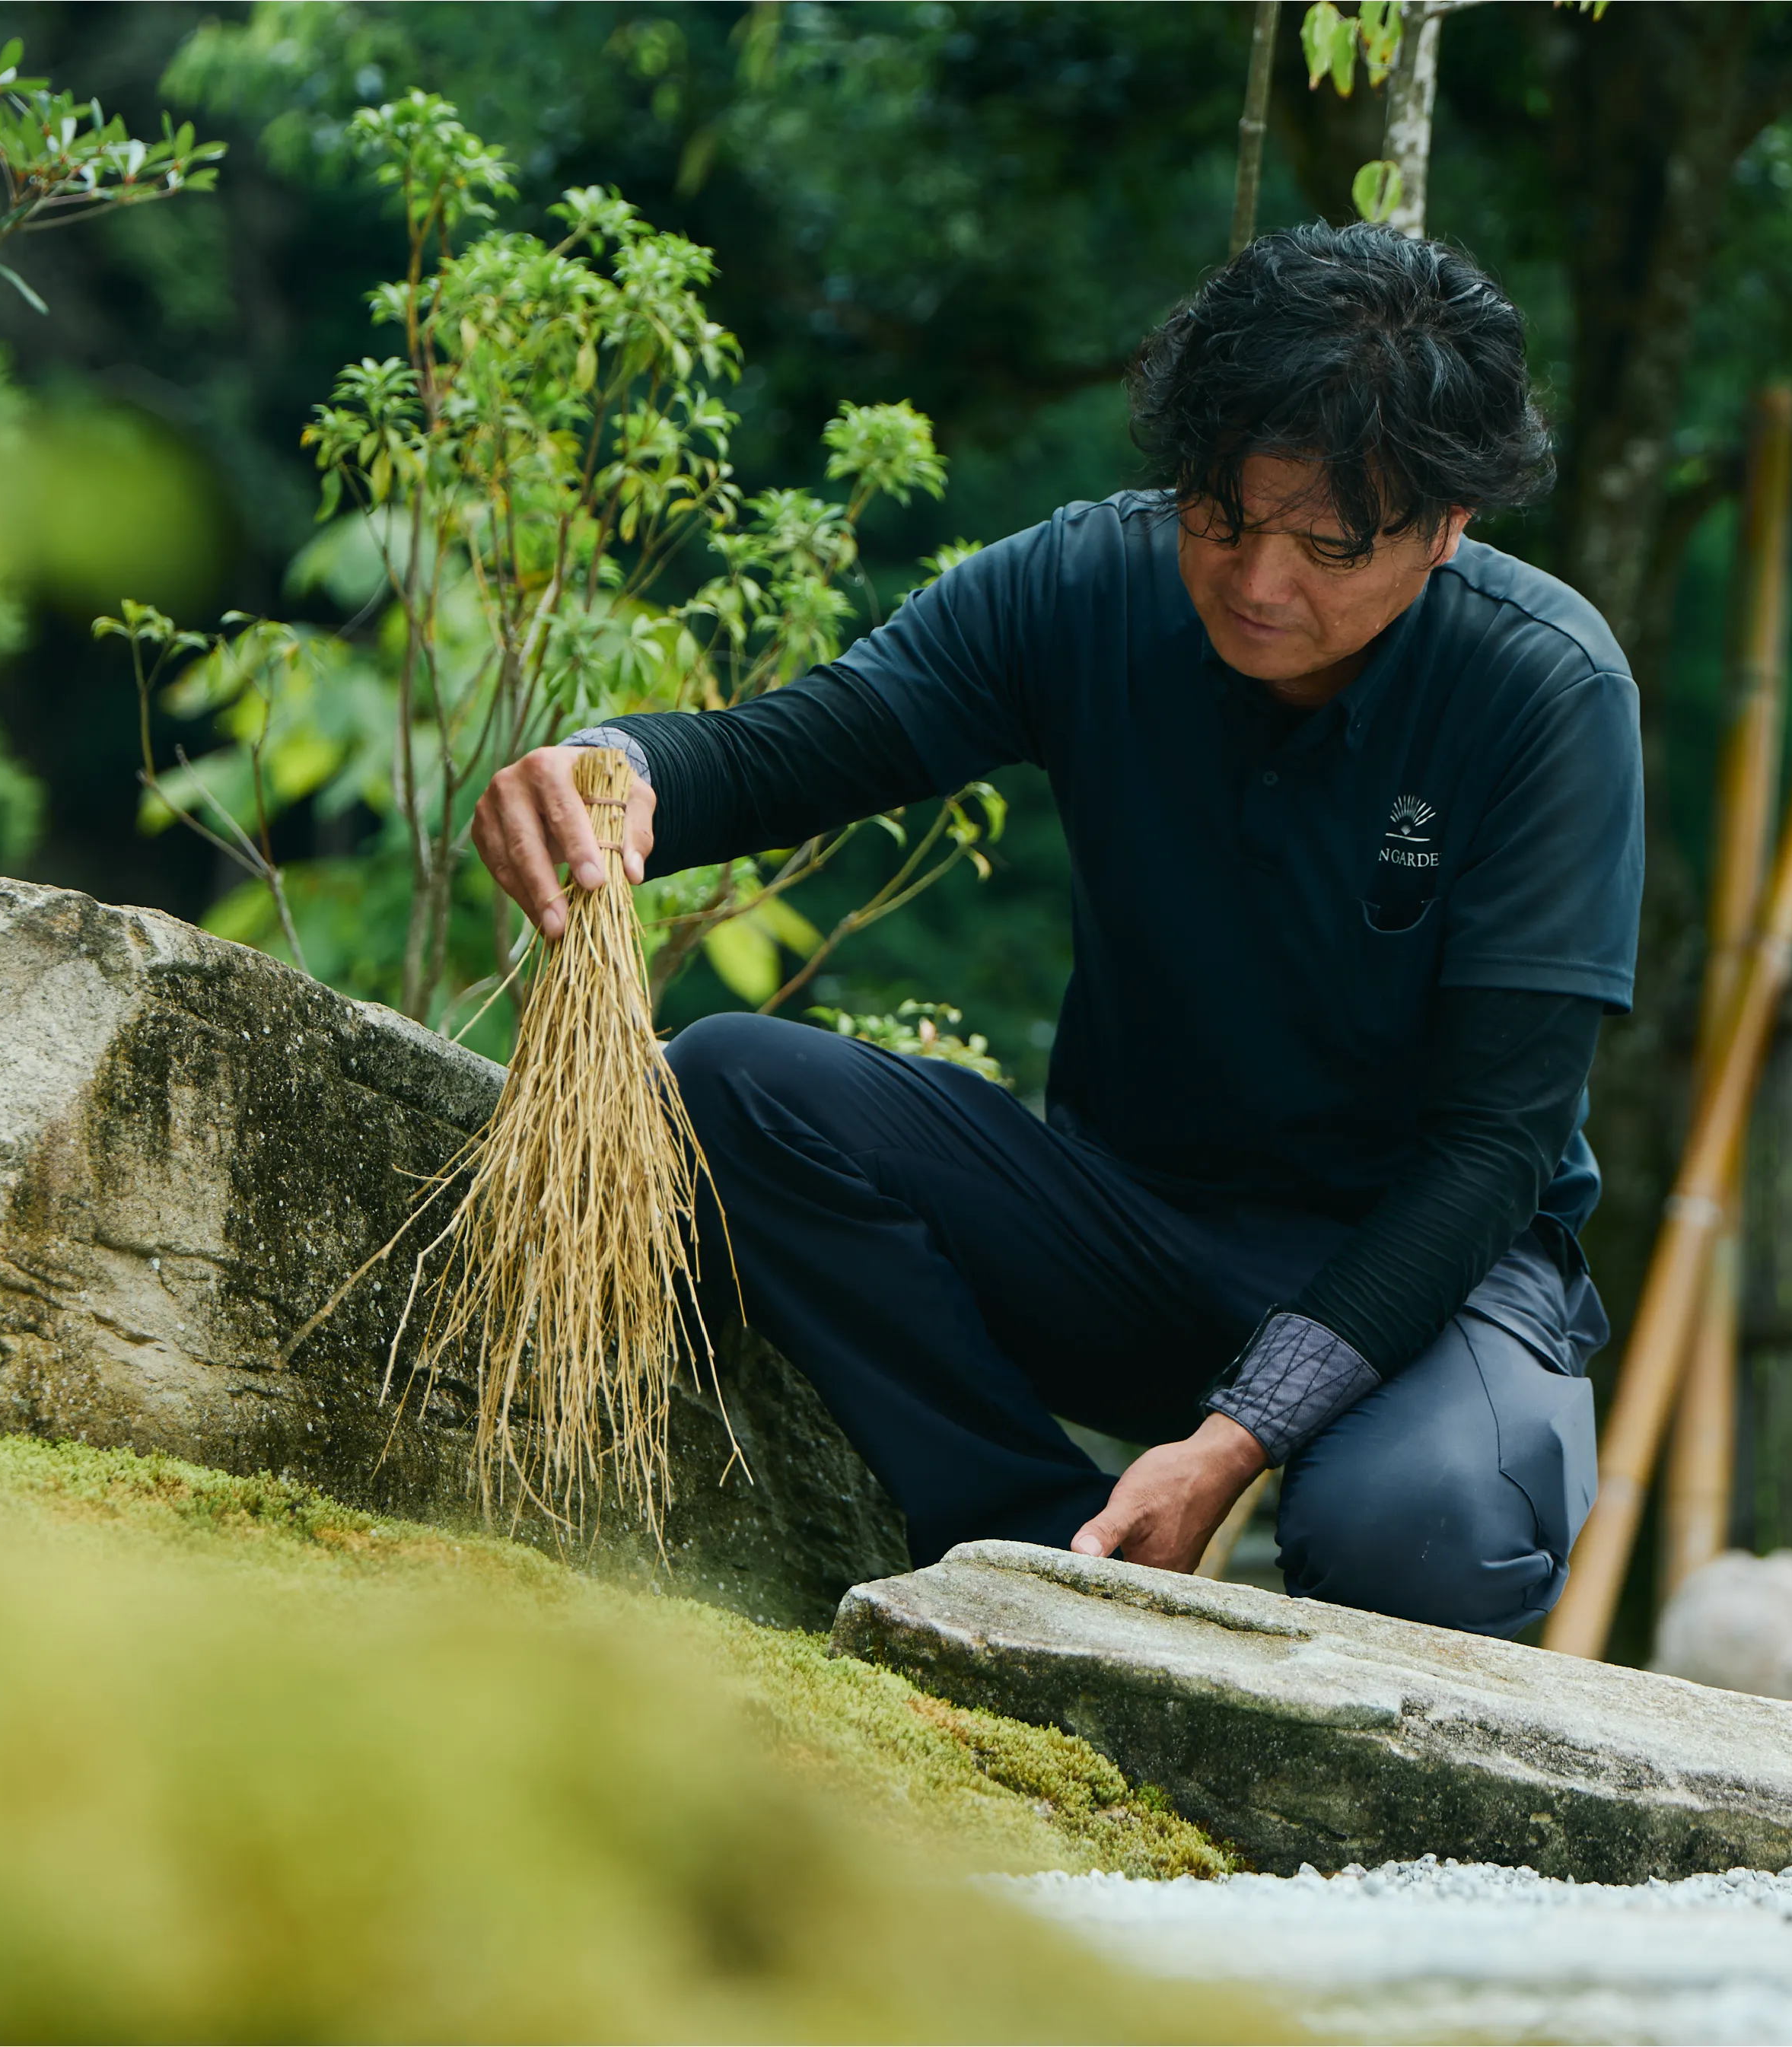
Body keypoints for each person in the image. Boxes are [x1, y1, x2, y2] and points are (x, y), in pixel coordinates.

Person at [470, 223, 1641, 1636]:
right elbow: (804, 747)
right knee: (732, 1085)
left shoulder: (1545, 691)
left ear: (1451, 526)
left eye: (1332, 543)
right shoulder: (1088, 583)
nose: (1261, 582)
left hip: (1433, 1278)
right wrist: (610, 766)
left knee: (1426, 1525)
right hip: (1131, 1230)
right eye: (1224, 510)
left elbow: (1491, 1156)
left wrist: (1237, 1440)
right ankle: (1034, 1569)